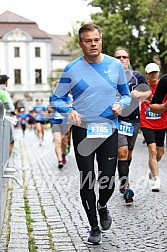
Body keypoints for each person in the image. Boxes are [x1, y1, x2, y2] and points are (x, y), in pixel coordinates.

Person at [52, 24, 131, 245]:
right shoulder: (71, 69)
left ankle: (103, 205)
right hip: (83, 130)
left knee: (108, 181)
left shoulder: (115, 66)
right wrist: (69, 111)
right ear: (81, 43)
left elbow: (125, 95)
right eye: (88, 41)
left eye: (96, 40)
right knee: (87, 180)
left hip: (108, 128)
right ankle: (94, 227)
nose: (93, 44)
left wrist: (120, 105)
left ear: (101, 41)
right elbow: (56, 98)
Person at [114, 48, 151, 203]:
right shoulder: (110, 76)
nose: (121, 59)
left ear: (129, 59)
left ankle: (124, 175)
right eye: (118, 57)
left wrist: (140, 95)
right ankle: (125, 184)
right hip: (117, 119)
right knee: (122, 152)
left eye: (124, 57)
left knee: (128, 153)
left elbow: (148, 91)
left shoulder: (137, 76)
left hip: (134, 120)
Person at [140, 63, 167, 192]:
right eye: (151, 73)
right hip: (146, 123)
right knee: (152, 150)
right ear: (147, 74)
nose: (154, 75)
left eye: (155, 72)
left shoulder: (163, 85)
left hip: (161, 123)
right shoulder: (142, 87)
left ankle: (152, 168)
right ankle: (157, 180)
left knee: (160, 152)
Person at [49, 81, 73, 169]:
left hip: (65, 123)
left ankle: (63, 154)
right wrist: (50, 110)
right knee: (57, 142)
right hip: (55, 122)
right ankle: (59, 161)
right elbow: (50, 108)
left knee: (64, 142)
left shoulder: (67, 97)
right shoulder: (52, 97)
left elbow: (70, 107)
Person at [0, 74, 15, 156]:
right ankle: (5, 164)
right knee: (10, 141)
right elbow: (9, 106)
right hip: (5, 120)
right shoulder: (3, 92)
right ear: (6, 82)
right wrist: (14, 112)